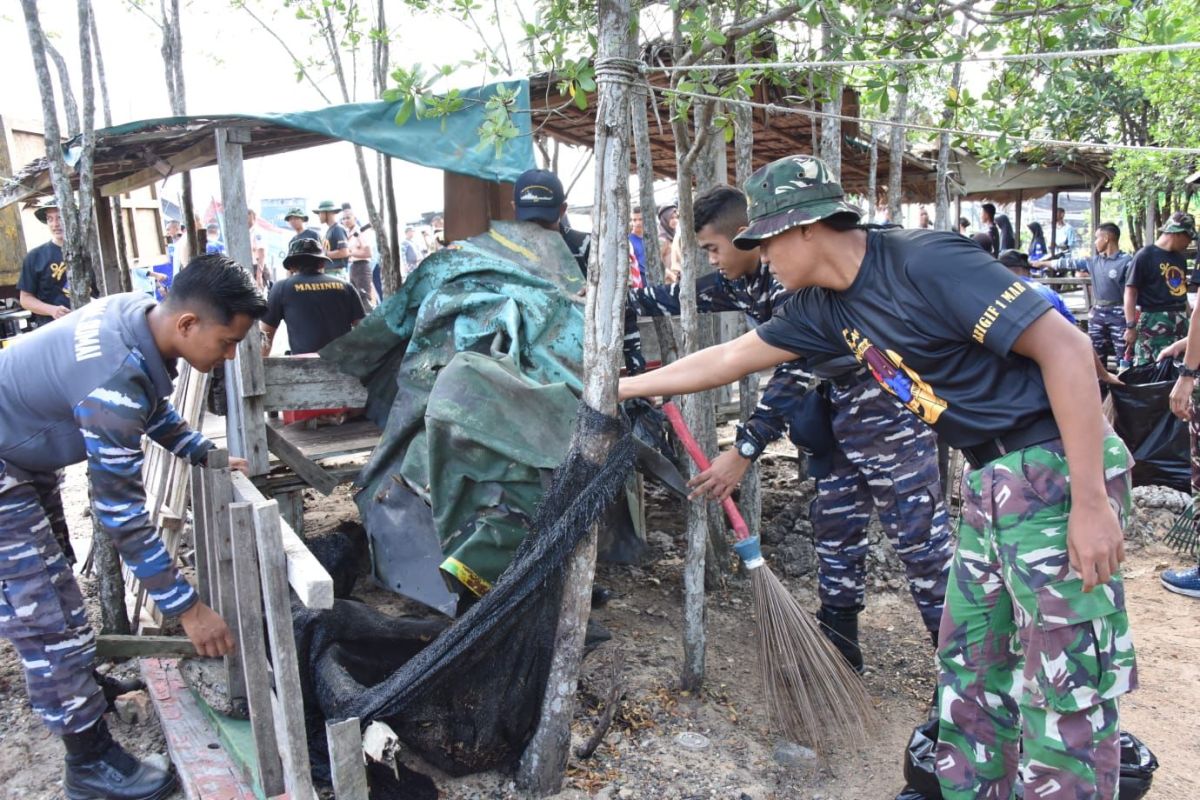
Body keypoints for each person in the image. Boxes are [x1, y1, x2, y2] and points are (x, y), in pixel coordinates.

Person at [619, 155, 1135, 800]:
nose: (763, 258)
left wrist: (1089, 501)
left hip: (1053, 464)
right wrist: (620, 386)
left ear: (806, 228)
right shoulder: (822, 308)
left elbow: (1068, 348)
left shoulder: (925, 261)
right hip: (988, 476)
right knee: (973, 658)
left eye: (765, 242)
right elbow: (729, 357)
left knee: (1066, 678)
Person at [626, 185, 953, 667]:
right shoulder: (741, 280)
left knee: (919, 540)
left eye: (714, 249)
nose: (712, 261)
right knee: (835, 527)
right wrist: (620, 321)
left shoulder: (793, 283)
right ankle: (841, 649)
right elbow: (673, 298)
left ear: (746, 237)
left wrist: (744, 449)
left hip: (886, 409)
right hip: (835, 411)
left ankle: (962, 675)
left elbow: (794, 368)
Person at [0, 255, 264, 800]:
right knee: (45, 612)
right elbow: (120, 514)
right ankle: (89, 763)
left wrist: (199, 450)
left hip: (20, 451)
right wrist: (189, 610)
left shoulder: (136, 316)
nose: (230, 356)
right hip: (7, 462)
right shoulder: (112, 380)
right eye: (228, 341)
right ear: (188, 324)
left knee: (56, 584)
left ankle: (75, 685)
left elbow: (147, 404)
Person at [512, 168, 644, 374]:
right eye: (529, 222)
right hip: (524, 372)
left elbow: (624, 313)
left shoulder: (588, 249)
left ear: (563, 210)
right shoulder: (504, 254)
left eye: (545, 222)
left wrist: (637, 374)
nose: (537, 231)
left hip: (583, 369)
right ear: (514, 209)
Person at [998, 249, 1121, 384]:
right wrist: (1104, 374)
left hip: (1009, 368)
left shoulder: (997, 294)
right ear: (1027, 271)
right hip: (1050, 364)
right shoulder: (1049, 292)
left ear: (1000, 271)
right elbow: (1078, 336)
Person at [1037, 222, 1130, 367]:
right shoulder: (1094, 261)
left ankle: (1124, 387)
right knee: (1096, 357)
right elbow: (1067, 263)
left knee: (1123, 355)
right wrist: (1041, 264)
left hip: (1120, 313)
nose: (1095, 242)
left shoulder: (1127, 261)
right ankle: (1100, 388)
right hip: (1098, 312)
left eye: (1097, 238)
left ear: (1106, 238)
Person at [260, 238, 365, 357]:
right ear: (321, 263)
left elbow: (266, 335)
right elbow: (363, 330)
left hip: (304, 369)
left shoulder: (281, 288)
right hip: (343, 365)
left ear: (292, 266)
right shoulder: (346, 286)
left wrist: (259, 370)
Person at [1124, 211, 1195, 366]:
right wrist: (1130, 325)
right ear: (1177, 233)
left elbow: (1182, 293)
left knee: (1180, 365)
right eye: (1188, 237)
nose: (1189, 242)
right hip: (1153, 319)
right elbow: (1130, 292)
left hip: (1180, 319)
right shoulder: (1144, 256)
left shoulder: (1180, 259)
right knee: (1150, 365)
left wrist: (1190, 321)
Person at [17, 199, 71, 326]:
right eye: (50, 219)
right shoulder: (35, 257)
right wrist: (52, 310)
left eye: (59, 217)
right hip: (51, 328)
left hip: (84, 327)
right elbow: (25, 299)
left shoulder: (85, 253)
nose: (55, 224)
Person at [342, 209, 377, 311]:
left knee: (365, 301)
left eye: (348, 217)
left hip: (362, 267)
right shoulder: (349, 234)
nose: (346, 220)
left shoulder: (360, 232)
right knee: (356, 300)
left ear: (355, 218)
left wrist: (349, 253)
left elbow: (368, 253)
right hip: (353, 267)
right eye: (343, 218)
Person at [312, 200, 350, 279]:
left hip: (336, 274)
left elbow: (344, 252)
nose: (319, 216)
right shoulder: (329, 230)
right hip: (328, 273)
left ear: (327, 213)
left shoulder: (338, 229)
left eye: (320, 213)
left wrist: (324, 254)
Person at [628, 206, 647, 286]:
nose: (637, 223)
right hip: (638, 280)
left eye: (640, 219)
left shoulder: (650, 239)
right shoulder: (628, 241)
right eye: (634, 220)